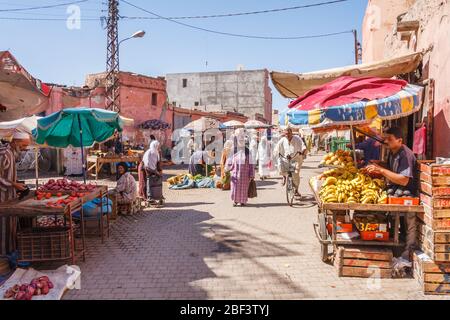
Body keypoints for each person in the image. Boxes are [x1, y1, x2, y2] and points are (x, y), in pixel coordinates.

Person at [365, 127, 418, 260]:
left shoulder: (405, 154)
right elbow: (392, 169)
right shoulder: (393, 152)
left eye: (390, 139)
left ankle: (409, 250)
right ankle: (394, 240)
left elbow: (404, 180)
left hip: (408, 193)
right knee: (387, 197)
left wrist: (382, 171)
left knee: (408, 219)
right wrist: (379, 165)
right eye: (385, 138)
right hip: (396, 189)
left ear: (399, 140)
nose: (386, 141)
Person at [0, 131, 30, 256]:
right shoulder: (4, 154)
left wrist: (16, 184)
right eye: (23, 146)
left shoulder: (11, 153)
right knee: (3, 226)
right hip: (2, 197)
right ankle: (3, 256)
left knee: (10, 225)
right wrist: (13, 184)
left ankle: (10, 252)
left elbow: (7, 175)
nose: (24, 149)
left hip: (10, 196)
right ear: (16, 142)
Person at [226, 129, 255, 207]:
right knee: (234, 187)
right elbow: (229, 161)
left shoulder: (247, 151)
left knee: (244, 188)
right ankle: (235, 201)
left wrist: (252, 174)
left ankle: (242, 201)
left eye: (242, 139)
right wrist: (227, 169)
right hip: (235, 174)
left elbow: (251, 164)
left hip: (245, 175)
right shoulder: (233, 150)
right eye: (239, 139)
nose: (241, 141)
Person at [274, 128, 307, 198]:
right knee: (280, 164)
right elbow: (277, 148)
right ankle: (284, 176)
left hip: (296, 158)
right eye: (286, 134)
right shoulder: (283, 140)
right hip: (287, 159)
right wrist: (276, 153)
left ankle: (296, 190)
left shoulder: (297, 139)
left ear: (291, 133)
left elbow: (303, 146)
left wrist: (303, 151)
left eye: (288, 133)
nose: (287, 135)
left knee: (296, 174)